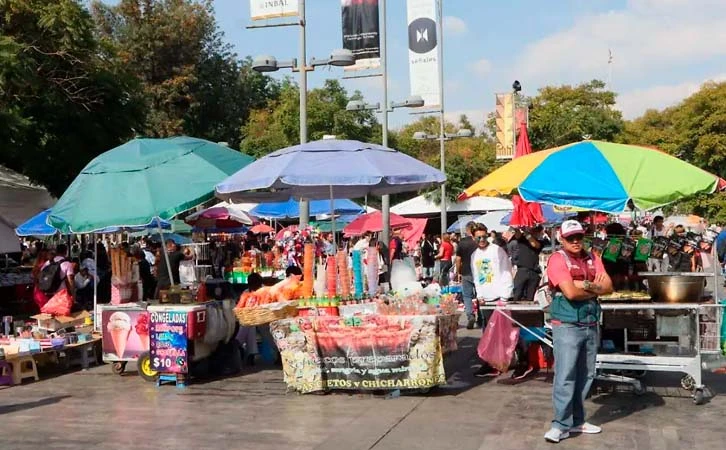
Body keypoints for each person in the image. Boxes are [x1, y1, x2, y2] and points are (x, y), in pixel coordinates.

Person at [544, 220, 613, 443]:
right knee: (565, 375)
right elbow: (570, 293)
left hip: (590, 322)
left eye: (578, 237)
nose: (575, 241)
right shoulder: (557, 259)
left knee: (586, 374)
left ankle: (577, 420)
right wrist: (594, 288)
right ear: (561, 239)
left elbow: (609, 287)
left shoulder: (593, 257)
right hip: (567, 324)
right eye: (570, 238)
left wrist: (584, 285)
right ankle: (560, 424)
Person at [472, 224, 514, 377]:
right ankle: (489, 362)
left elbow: (506, 272)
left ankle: (504, 361)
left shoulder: (497, 250)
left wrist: (505, 296)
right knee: (488, 333)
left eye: (484, 237)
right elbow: (476, 276)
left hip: (499, 298)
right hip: (485, 299)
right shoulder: (474, 255)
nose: (482, 240)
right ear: (473, 238)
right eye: (478, 238)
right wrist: (479, 295)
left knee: (503, 332)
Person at [512, 226, 549, 302]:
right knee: (517, 293)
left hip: (534, 272)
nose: (536, 233)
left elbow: (535, 245)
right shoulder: (522, 239)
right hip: (522, 270)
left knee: (531, 296)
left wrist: (526, 233)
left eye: (537, 231)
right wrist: (517, 227)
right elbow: (517, 234)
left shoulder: (540, 242)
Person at [236, 272, 264, 366]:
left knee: (249, 325)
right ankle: (251, 353)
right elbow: (241, 306)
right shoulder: (246, 292)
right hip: (250, 318)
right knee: (249, 326)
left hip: (264, 318)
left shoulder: (264, 291)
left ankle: (238, 343)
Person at [455, 222, 479, 329]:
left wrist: (458, 272)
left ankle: (470, 315)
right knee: (480, 295)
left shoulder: (462, 242)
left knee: (467, 296)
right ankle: (481, 317)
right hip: (479, 271)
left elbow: (458, 259)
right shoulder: (478, 241)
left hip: (466, 271)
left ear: (467, 230)